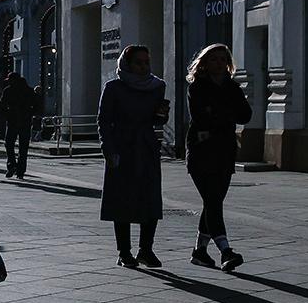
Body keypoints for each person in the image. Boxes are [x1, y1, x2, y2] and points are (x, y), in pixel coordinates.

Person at [98, 44, 169, 269]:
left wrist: (162, 115)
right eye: (138, 62)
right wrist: (108, 149)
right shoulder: (114, 88)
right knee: (122, 200)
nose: (143, 67)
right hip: (122, 148)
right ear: (127, 64)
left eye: (146, 62)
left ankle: (146, 250)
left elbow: (157, 120)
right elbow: (103, 121)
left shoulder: (157, 86)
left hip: (146, 148)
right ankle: (124, 252)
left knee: (150, 199)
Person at [185, 44, 252, 271]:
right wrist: (223, 115)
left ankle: (200, 252)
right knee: (213, 201)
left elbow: (246, 115)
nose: (218, 63)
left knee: (213, 202)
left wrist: (218, 113)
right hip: (201, 152)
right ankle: (226, 251)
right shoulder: (197, 87)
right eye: (213, 59)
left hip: (224, 151)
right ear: (204, 62)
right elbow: (201, 117)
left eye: (223, 59)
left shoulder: (232, 87)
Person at [0, 72, 35, 179]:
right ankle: (20, 171)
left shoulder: (8, 90)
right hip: (25, 122)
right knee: (23, 147)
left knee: (9, 144)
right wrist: (30, 113)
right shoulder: (28, 90)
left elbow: (2, 105)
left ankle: (12, 165)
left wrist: (7, 114)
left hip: (12, 122)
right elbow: (37, 104)